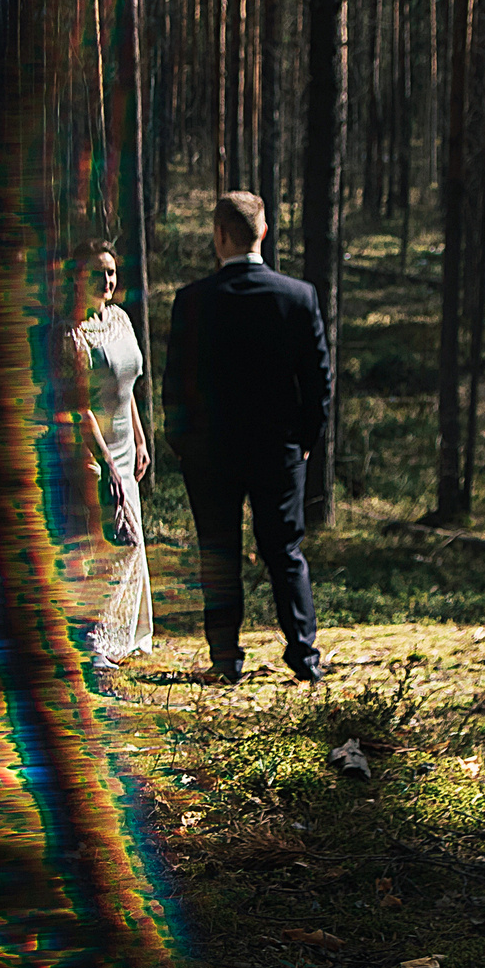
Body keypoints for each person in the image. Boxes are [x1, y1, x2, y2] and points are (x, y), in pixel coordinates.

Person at [164, 191, 331, 685]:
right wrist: (305, 439)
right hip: (278, 449)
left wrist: (182, 441)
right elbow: (318, 380)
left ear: (218, 236)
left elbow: (176, 382)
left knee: (218, 552)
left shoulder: (192, 301)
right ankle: (304, 656)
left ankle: (225, 659)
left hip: (209, 452)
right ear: (263, 233)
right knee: (284, 551)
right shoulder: (297, 296)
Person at [63, 239, 153, 666]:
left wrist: (139, 438)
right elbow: (79, 406)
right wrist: (107, 466)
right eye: (98, 273)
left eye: (112, 272)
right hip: (90, 451)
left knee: (132, 542)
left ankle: (128, 633)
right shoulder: (71, 332)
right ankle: (94, 638)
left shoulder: (120, 319)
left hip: (123, 442)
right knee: (102, 542)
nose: (107, 281)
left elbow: (127, 385)